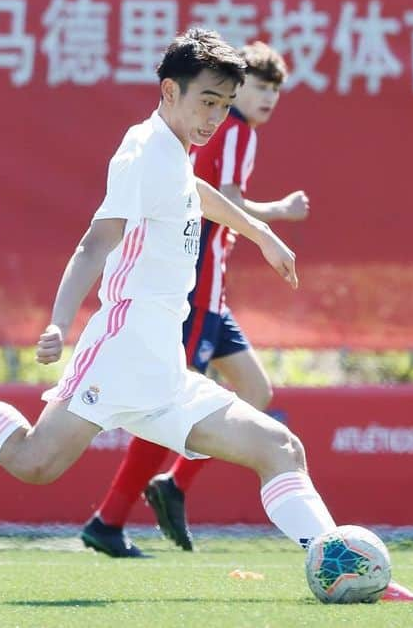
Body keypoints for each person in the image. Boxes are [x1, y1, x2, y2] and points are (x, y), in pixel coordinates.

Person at [0, 28, 413, 602]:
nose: (215, 118)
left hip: (164, 369)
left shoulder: (174, 153)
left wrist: (259, 231)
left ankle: (348, 569)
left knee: (281, 448)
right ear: (169, 92)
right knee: (34, 463)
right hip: (120, 350)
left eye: (225, 106)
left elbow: (195, 191)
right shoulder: (142, 149)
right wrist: (58, 321)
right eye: (207, 101)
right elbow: (95, 242)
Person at [82, 42, 310, 557]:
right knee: (168, 401)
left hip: (212, 285)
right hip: (196, 283)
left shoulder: (217, 127)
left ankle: (173, 484)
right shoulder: (235, 131)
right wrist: (279, 214)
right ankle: (110, 518)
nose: (266, 97)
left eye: (275, 89)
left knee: (255, 389)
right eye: (257, 86)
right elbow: (220, 195)